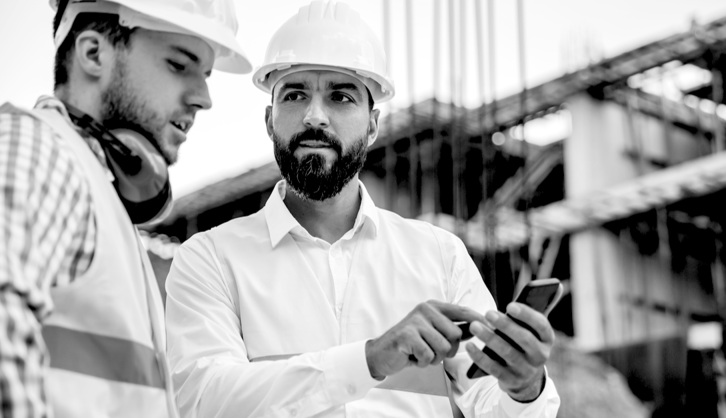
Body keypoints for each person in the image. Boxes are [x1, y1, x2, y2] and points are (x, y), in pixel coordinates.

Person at [165, 1, 560, 417]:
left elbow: (495, 406)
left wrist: (525, 388)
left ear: (372, 126)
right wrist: (370, 360)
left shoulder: (439, 257)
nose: (315, 117)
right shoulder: (209, 259)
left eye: (341, 96)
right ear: (270, 120)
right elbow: (202, 401)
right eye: (296, 94)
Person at [0, 0, 250, 416]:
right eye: (178, 64)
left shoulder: (102, 199)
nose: (204, 98)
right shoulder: (37, 149)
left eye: (205, 75)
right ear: (94, 53)